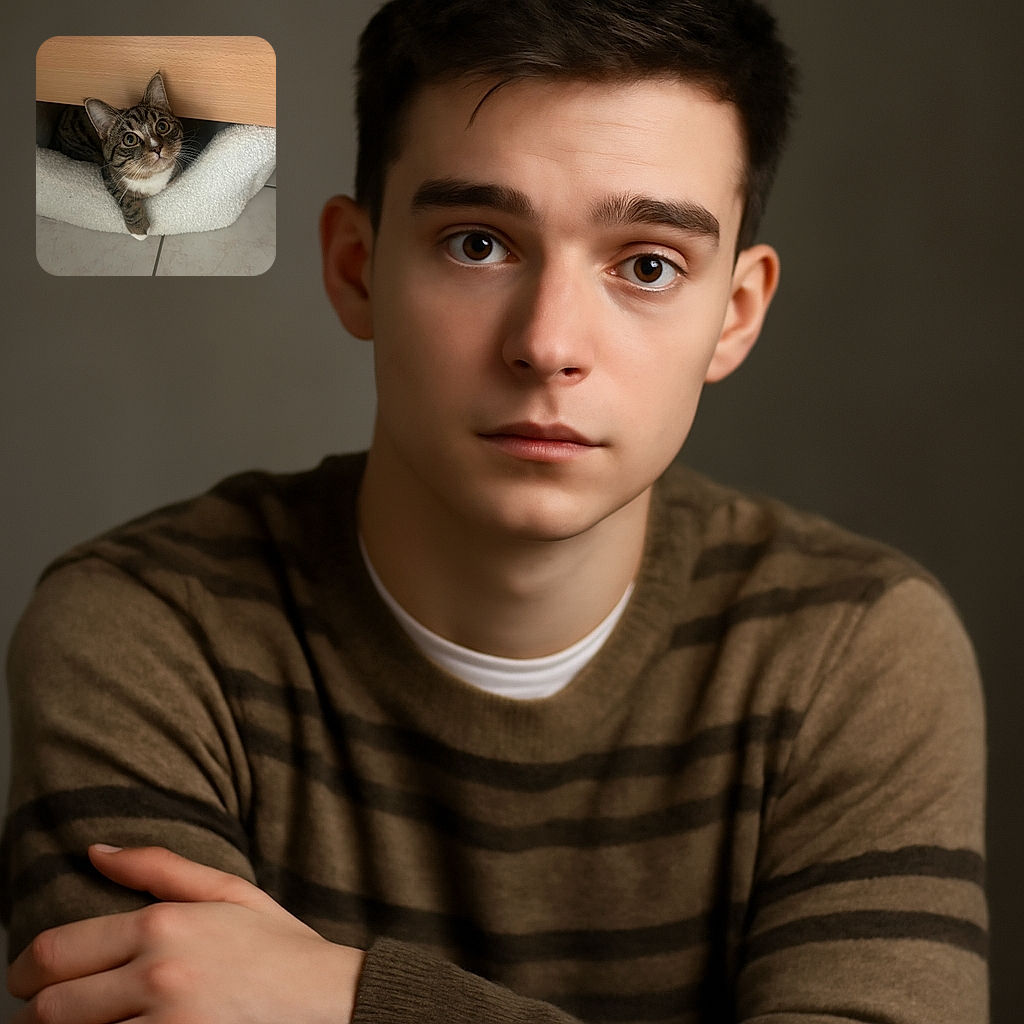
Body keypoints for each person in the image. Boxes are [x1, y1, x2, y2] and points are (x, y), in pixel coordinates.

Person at [2, 0, 987, 1021]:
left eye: (646, 265)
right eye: (478, 243)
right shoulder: (144, 632)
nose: (548, 343)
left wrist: (358, 1001)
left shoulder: (855, 651)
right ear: (356, 269)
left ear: (732, 316)